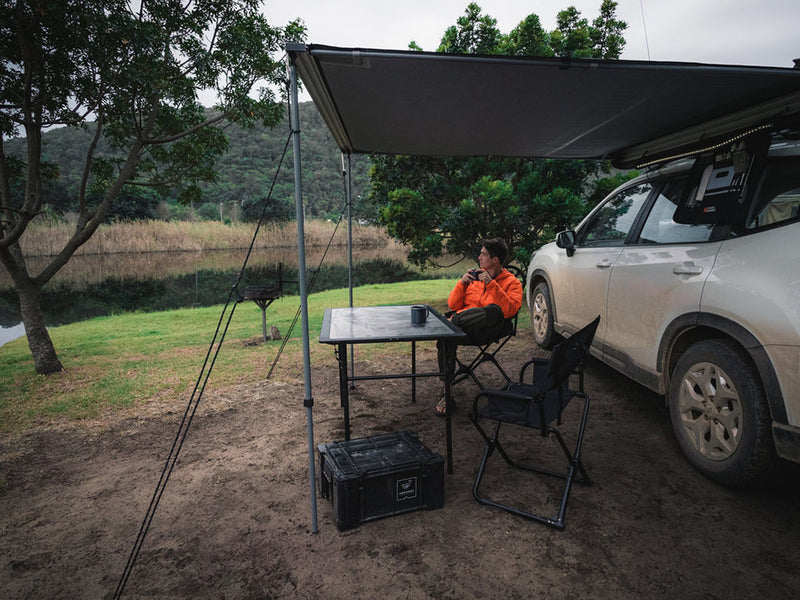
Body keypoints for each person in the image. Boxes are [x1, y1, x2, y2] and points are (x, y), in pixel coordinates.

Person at [434, 238, 523, 416]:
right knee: (445, 338)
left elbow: (510, 311)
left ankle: (453, 323)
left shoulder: (512, 282)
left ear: (495, 259)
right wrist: (462, 283)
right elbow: (453, 304)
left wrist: (492, 285)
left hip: (488, 330)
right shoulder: (474, 277)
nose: (479, 257)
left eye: (483, 254)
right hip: (464, 328)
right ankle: (447, 392)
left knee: (494, 310)